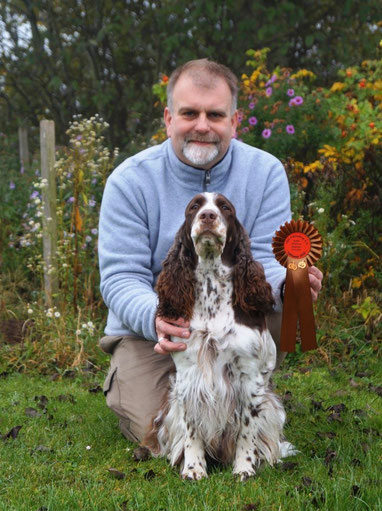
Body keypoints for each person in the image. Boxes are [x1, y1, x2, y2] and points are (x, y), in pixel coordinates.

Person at [98, 59, 323, 443]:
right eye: (189, 113)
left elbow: (268, 260)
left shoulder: (265, 172)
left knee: (229, 436)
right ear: (169, 118)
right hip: (154, 331)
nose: (202, 125)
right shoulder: (129, 180)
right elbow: (121, 277)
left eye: (215, 114)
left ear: (234, 122)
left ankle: (243, 403)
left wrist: (289, 284)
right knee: (157, 433)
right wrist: (157, 318)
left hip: (233, 318)